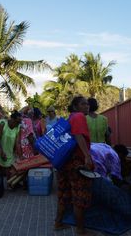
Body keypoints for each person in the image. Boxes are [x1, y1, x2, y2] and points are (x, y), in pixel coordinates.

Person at [55, 96, 93, 235]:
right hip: (76, 163)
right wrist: (87, 156)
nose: (87, 106)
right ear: (76, 107)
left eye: (88, 104)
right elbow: (78, 135)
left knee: (64, 194)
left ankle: (58, 223)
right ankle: (80, 230)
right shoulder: (79, 117)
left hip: (64, 162)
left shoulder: (70, 117)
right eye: (83, 104)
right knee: (79, 196)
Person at [0, 110, 21, 176]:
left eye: (19, 123)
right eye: (17, 122)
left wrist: (19, 156)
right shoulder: (3, 123)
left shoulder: (17, 128)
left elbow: (17, 143)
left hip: (8, 155)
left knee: (7, 175)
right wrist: (1, 153)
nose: (18, 124)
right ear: (12, 119)